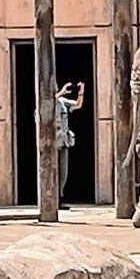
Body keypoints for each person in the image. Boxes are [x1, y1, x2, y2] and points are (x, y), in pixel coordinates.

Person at [55, 81, 84, 209]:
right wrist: (61, 92)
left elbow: (78, 105)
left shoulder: (62, 101)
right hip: (51, 143)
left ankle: (59, 198)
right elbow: (47, 104)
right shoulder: (46, 102)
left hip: (63, 141)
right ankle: (51, 200)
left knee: (63, 172)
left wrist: (81, 92)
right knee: (51, 172)